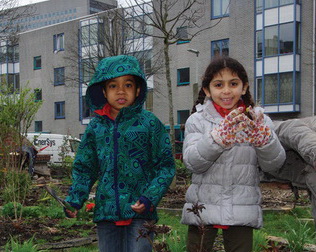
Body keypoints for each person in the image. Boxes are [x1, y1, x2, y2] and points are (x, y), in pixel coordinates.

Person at [64, 55, 175, 252]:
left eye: (128, 85)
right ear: (104, 91)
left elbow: (165, 166)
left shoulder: (149, 124)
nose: (121, 91)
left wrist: (149, 197)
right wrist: (75, 199)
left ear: (138, 89)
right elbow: (84, 167)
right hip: (107, 211)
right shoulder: (96, 127)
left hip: (140, 211)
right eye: (113, 85)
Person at [180, 56, 286, 252]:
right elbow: (193, 163)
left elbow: (274, 164)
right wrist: (216, 139)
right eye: (219, 84)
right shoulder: (197, 120)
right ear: (207, 90)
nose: (227, 91)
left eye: (234, 84)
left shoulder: (258, 120)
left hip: (241, 207)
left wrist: (263, 140)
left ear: (244, 87)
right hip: (202, 207)